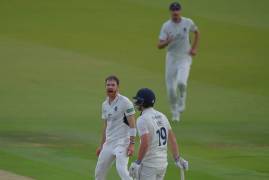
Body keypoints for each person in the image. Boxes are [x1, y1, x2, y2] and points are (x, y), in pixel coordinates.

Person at [129, 88, 188, 180]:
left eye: (139, 100)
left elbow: (145, 143)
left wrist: (138, 162)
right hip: (162, 164)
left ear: (143, 102)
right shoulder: (162, 116)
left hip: (149, 165)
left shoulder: (142, 119)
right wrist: (177, 158)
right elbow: (172, 139)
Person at [158, 2, 200, 121]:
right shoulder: (166, 26)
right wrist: (167, 41)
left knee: (182, 83)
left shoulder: (187, 22)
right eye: (173, 11)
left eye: (177, 11)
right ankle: (174, 111)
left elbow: (197, 32)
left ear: (180, 11)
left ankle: (182, 100)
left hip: (185, 57)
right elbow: (159, 45)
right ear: (171, 12)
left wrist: (194, 48)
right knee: (171, 89)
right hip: (171, 58)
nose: (175, 13)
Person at [95, 75, 136, 180]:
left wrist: (131, 144)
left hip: (122, 143)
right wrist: (101, 145)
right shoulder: (104, 104)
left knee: (122, 171)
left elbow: (132, 124)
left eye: (113, 85)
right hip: (109, 143)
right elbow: (106, 126)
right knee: (99, 173)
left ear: (118, 87)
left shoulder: (125, 102)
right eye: (108, 85)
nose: (110, 87)